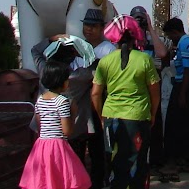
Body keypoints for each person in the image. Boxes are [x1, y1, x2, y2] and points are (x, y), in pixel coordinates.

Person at [91, 15, 161, 189]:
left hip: (111, 117)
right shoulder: (144, 59)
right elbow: (155, 92)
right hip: (138, 117)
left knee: (114, 161)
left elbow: (95, 94)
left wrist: (101, 117)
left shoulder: (105, 62)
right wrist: (152, 114)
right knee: (137, 162)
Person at [30, 35, 101, 189]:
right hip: (67, 139)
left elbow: (35, 51)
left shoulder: (44, 74)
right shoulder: (80, 76)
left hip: (43, 143)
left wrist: (51, 39)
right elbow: (96, 67)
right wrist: (83, 50)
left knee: (48, 177)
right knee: (70, 176)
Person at [20, 60, 91, 189]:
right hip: (57, 147)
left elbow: (39, 124)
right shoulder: (62, 102)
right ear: (61, 81)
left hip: (41, 146)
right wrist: (73, 113)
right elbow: (67, 131)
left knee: (45, 180)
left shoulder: (40, 99)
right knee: (63, 179)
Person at [129, 6, 168, 171]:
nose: (139, 22)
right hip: (135, 87)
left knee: (155, 124)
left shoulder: (153, 39)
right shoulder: (128, 41)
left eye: (141, 18)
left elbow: (162, 53)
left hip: (152, 85)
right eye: (136, 19)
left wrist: (150, 29)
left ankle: (155, 161)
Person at [161, 17, 189, 173]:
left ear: (174, 32)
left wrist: (181, 94)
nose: (171, 39)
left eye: (170, 36)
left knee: (173, 124)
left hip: (182, 85)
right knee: (188, 123)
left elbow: (187, 70)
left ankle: (172, 160)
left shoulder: (183, 44)